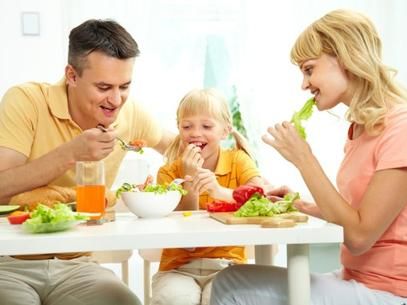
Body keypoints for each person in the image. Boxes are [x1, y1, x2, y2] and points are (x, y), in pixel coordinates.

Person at [210, 9, 407, 305]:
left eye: (309, 69)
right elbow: (354, 215)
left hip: (390, 293)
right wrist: (302, 204)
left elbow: (358, 237)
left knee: (232, 284)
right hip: (354, 278)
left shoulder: (401, 128)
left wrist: (304, 158)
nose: (304, 84)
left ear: (345, 57)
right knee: (232, 277)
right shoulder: (361, 128)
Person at [0, 19, 173, 305]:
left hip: (78, 265)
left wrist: (225, 152)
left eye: (125, 86)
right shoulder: (26, 100)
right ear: (71, 75)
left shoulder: (131, 115)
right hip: (8, 260)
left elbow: (177, 146)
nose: (116, 100)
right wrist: (71, 153)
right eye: (104, 87)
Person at [151, 88, 264, 305]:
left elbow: (260, 200)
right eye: (187, 126)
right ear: (178, 129)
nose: (195, 133)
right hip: (178, 268)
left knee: (222, 299)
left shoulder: (238, 161)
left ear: (225, 131)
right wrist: (190, 184)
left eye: (206, 126)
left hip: (228, 265)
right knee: (174, 299)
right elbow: (180, 229)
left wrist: (219, 192)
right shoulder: (167, 173)